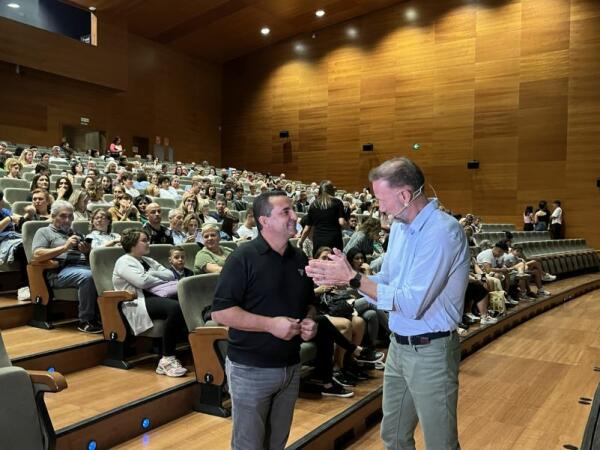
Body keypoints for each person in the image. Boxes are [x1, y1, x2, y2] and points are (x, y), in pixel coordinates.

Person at [306, 157, 469, 450]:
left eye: (381, 199)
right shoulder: (400, 229)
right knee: (393, 437)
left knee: (440, 444)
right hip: (399, 346)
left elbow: (412, 303)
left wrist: (355, 279)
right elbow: (386, 282)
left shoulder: (442, 232)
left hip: (431, 350)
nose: (378, 207)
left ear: (405, 195)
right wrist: (345, 279)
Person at [211, 190, 318, 450]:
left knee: (276, 443)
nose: (295, 216)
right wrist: (271, 324)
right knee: (249, 445)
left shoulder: (299, 258)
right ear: (264, 221)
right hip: (251, 370)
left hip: (290, 366)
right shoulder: (242, 258)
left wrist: (309, 321)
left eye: (293, 210)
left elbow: (310, 304)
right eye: (286, 212)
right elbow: (221, 313)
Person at [112, 229, 187, 377]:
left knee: (187, 302)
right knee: (175, 308)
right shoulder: (124, 262)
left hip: (156, 296)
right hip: (136, 301)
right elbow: (141, 282)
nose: (148, 243)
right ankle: (166, 360)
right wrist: (154, 277)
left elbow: (170, 274)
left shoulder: (147, 260)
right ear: (133, 243)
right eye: (144, 240)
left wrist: (151, 274)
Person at [31, 200, 102, 334]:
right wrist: (64, 247)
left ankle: (107, 316)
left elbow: (88, 258)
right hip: (58, 272)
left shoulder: (76, 233)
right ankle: (85, 321)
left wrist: (87, 252)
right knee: (88, 276)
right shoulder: (44, 232)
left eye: (70, 216)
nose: (67, 220)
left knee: (108, 273)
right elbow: (37, 254)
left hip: (82, 267)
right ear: (53, 216)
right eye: (63, 216)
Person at [299, 180, 345, 256]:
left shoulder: (313, 204)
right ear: (331, 190)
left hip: (319, 239)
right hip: (334, 238)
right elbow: (342, 223)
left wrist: (301, 242)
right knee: (334, 263)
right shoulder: (338, 202)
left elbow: (307, 228)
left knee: (319, 263)